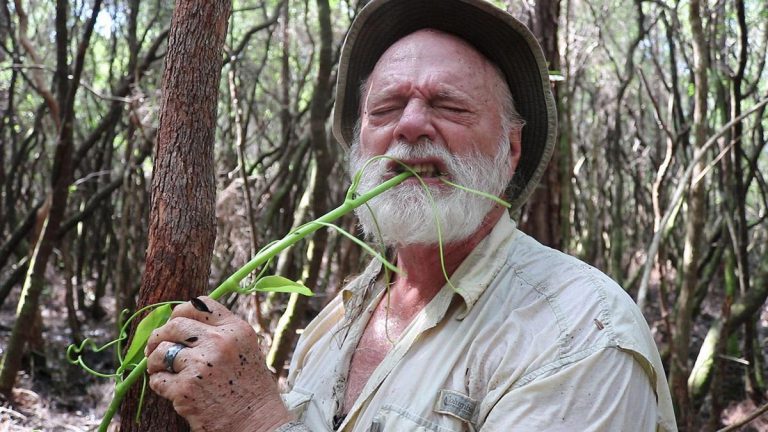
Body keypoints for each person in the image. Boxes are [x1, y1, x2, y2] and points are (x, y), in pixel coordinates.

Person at [144, 0, 678, 430]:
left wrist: (254, 421)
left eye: (449, 106)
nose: (411, 126)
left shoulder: (579, 334)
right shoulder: (333, 324)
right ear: (359, 146)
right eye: (384, 109)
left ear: (511, 149)